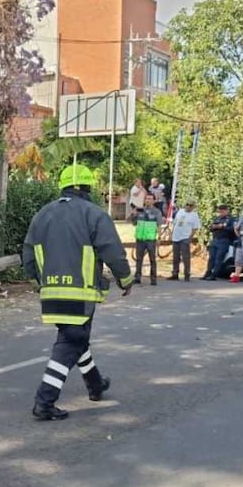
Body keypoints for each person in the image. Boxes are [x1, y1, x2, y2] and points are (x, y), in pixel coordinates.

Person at [22, 163, 133, 421]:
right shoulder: (93, 214)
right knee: (70, 342)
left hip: (50, 293)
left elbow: (28, 255)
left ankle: (95, 385)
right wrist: (125, 280)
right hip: (80, 294)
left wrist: (40, 283)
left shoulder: (42, 214)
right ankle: (45, 401)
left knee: (75, 337)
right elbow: (112, 252)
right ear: (85, 188)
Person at [129, 192, 164, 285]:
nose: (148, 200)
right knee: (139, 259)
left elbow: (159, 225)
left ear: (153, 201)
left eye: (150, 199)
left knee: (152, 259)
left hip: (151, 239)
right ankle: (137, 277)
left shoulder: (157, 212)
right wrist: (133, 214)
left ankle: (153, 279)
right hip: (140, 239)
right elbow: (133, 223)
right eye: (146, 198)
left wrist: (159, 238)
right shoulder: (140, 210)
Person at [167, 199, 201, 281]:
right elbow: (175, 223)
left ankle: (187, 274)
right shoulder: (180, 211)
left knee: (185, 257)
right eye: (187, 204)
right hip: (176, 236)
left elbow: (195, 228)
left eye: (190, 205)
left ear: (193, 207)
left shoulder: (194, 215)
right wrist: (171, 233)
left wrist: (190, 237)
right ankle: (175, 273)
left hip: (185, 237)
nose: (188, 207)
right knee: (176, 257)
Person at [202, 204, 236, 280]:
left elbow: (232, 230)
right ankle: (208, 273)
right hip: (215, 239)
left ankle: (214, 274)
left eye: (222, 211)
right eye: (220, 211)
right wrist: (214, 227)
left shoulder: (231, 219)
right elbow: (210, 228)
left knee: (218, 258)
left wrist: (223, 227)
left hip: (224, 240)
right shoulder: (217, 218)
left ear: (227, 210)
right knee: (211, 258)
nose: (221, 213)